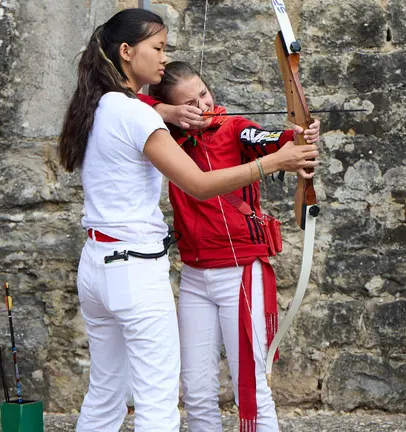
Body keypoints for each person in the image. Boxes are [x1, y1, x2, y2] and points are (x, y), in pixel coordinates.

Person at [57, 9, 318, 432]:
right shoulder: (138, 113)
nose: (163, 59)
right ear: (126, 52)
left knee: (105, 393)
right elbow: (197, 184)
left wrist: (293, 138)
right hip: (134, 270)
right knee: (159, 402)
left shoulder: (98, 104)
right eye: (157, 48)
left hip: (96, 264)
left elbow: (259, 135)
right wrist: (275, 163)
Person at [136, 61, 320, 432]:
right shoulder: (162, 133)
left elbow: (268, 141)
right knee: (197, 391)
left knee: (250, 388)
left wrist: (298, 137)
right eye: (189, 102)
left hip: (240, 273)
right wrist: (166, 112)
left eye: (203, 93)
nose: (203, 105)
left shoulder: (233, 127)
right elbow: (125, 101)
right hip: (194, 275)